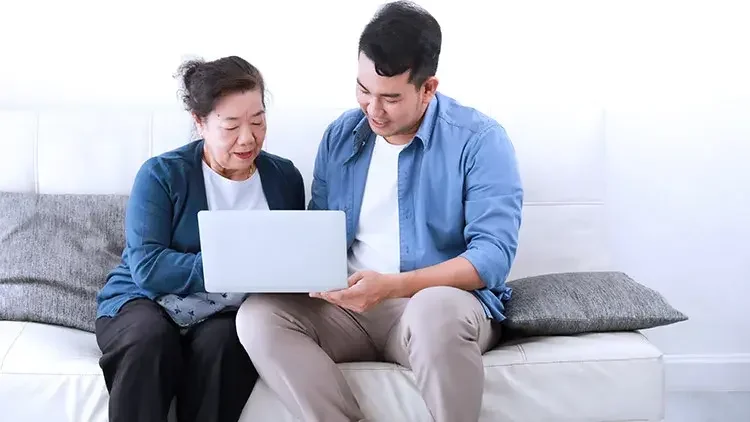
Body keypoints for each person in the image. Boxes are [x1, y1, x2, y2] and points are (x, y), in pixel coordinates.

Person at [235, 2, 523, 422]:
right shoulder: (341, 136)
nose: (372, 109)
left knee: (432, 313)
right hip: (349, 309)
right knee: (258, 316)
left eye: (390, 98)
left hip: (433, 305)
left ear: (428, 88)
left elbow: (492, 257)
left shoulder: (479, 141)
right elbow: (322, 232)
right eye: (363, 90)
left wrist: (391, 286)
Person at [94, 55, 306, 422]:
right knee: (149, 340)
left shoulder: (284, 177)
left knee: (226, 345)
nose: (248, 138)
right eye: (231, 126)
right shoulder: (161, 175)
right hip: (143, 302)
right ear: (200, 123)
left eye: (258, 121)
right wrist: (235, 263)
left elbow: (290, 259)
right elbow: (148, 268)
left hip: (224, 314)